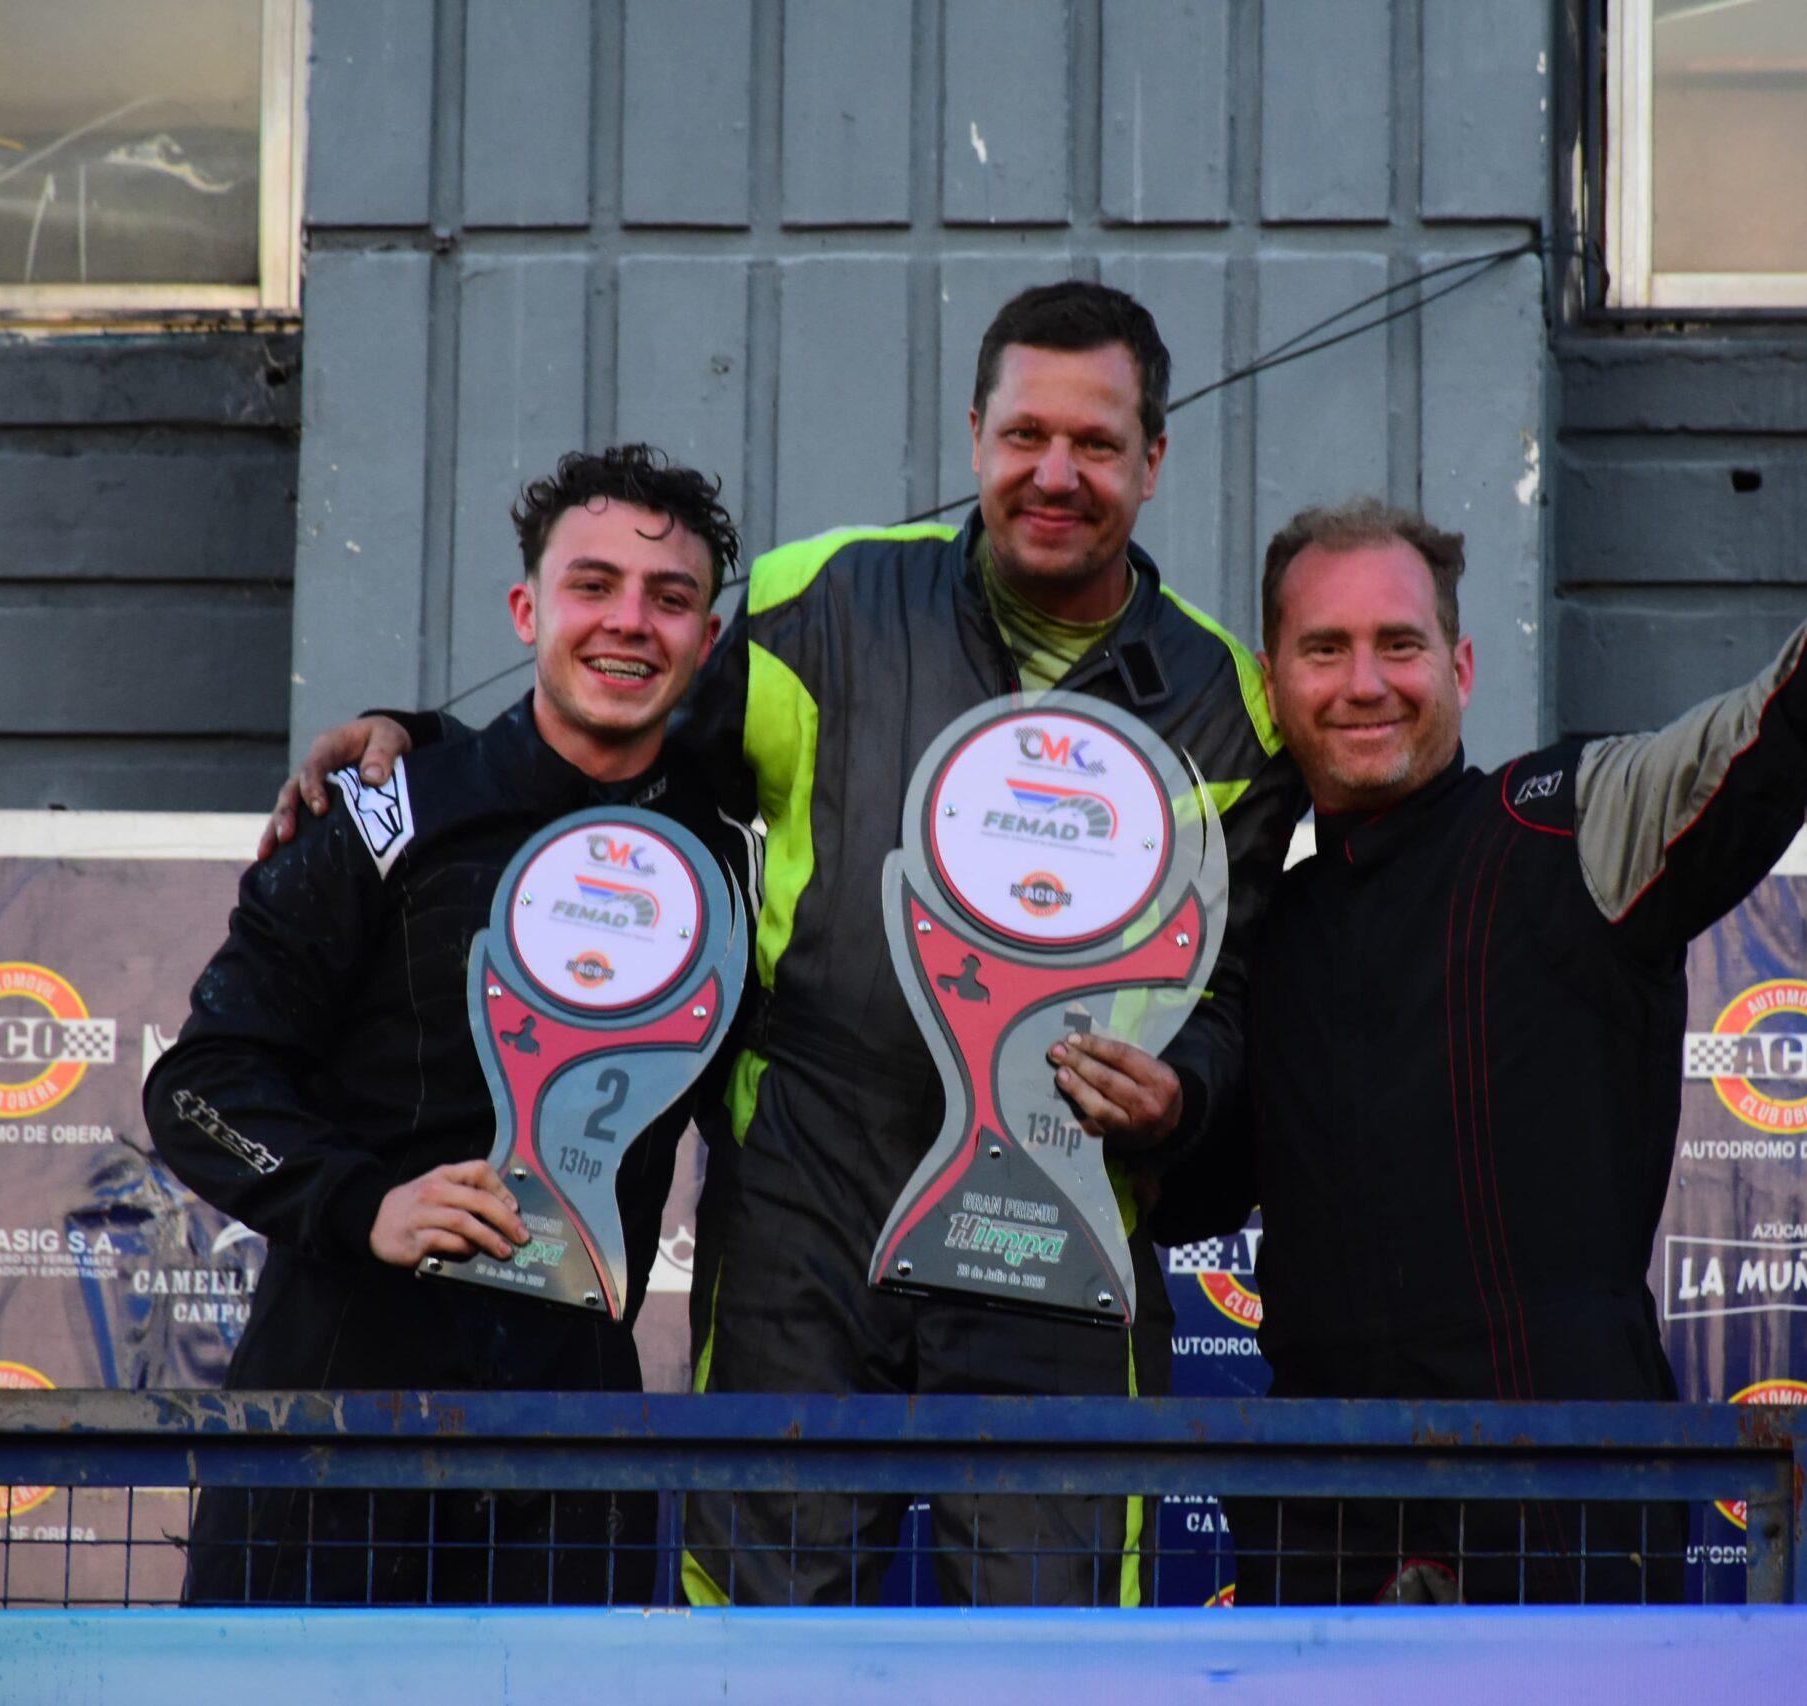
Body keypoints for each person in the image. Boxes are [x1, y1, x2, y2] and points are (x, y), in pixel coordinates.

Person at [264, 282, 1306, 1607]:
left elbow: (1226, 990)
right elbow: (606, 755)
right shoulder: (828, 596)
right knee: (760, 1646)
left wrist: (1185, 1092)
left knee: (1058, 1665)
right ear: (976, 432)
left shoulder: (1232, 710)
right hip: (805, 1217)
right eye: (1025, 433)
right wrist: (416, 734)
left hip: (1061, 1232)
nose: (1057, 473)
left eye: (1097, 444)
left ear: (1154, 459)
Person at [1149, 337, 1807, 1606]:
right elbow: (1185, 1191)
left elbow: (1783, 723)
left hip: (1569, 1500)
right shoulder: (1261, 919)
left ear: (1461, 669)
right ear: (1273, 682)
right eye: (1325, 648)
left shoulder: (1566, 819)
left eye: (1400, 645)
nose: (1365, 682)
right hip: (1318, 1514)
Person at [145, 444, 753, 1605]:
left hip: (574, 1455)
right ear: (527, 609)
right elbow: (201, 1084)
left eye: (669, 598)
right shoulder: (385, 812)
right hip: (335, 1429)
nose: (629, 622)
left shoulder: (731, 854)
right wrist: (361, 1200)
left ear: (704, 642)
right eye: (592, 585)